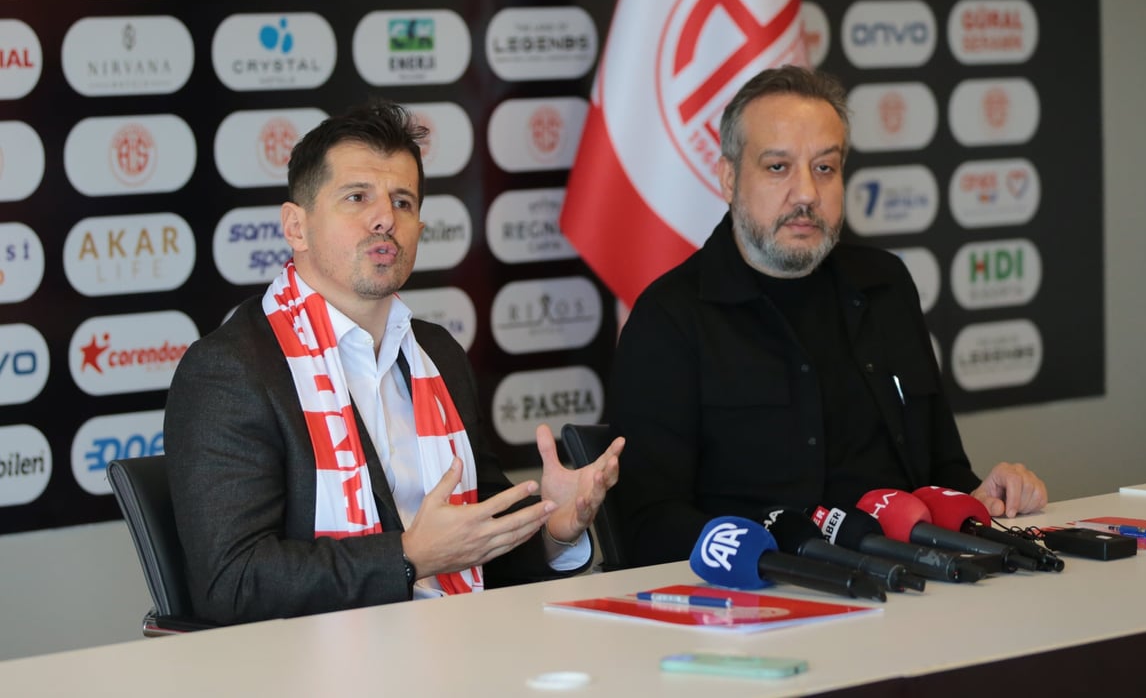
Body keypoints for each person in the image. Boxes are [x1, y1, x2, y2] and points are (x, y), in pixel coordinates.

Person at [164, 101, 623, 624]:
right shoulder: (230, 371)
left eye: (402, 202)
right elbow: (232, 584)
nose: (385, 218)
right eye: (357, 197)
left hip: (458, 643)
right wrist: (408, 557)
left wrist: (554, 529)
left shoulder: (436, 353)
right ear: (296, 227)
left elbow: (478, 548)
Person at [608, 66, 1046, 566]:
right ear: (729, 177)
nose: (806, 194)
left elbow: (941, 471)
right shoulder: (669, 318)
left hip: (913, 581)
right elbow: (647, 524)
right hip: (760, 591)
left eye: (824, 168)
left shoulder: (886, 285)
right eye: (778, 167)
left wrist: (981, 496)